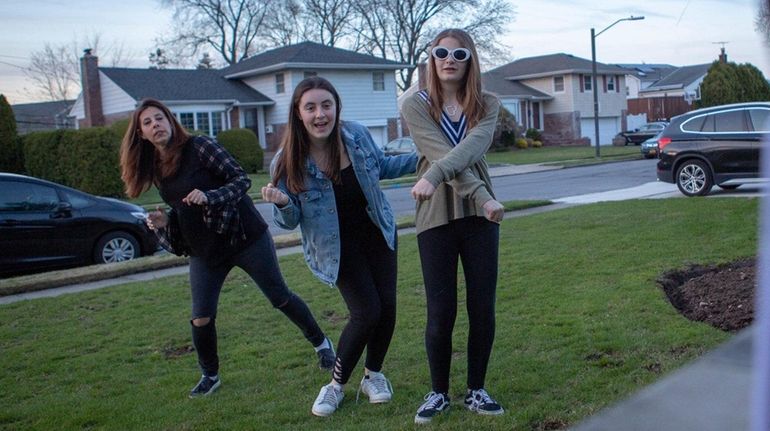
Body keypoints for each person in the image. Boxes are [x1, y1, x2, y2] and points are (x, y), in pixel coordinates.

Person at [119, 98, 335, 399]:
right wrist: (164, 218)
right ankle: (210, 375)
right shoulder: (157, 169)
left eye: (160, 118)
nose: (156, 125)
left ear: (170, 121)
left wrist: (210, 196)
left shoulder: (200, 147)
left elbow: (240, 180)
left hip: (245, 237)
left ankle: (322, 344)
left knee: (279, 297)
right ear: (141, 134)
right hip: (205, 251)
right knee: (201, 316)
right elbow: (181, 209)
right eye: (148, 122)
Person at [261, 76, 417, 417]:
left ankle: (373, 375)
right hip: (336, 248)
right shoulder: (286, 161)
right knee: (367, 312)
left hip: (377, 232)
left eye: (326, 105)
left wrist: (428, 157)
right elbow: (288, 222)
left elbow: (384, 166)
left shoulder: (356, 135)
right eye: (311, 107)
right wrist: (283, 202)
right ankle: (335, 386)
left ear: (336, 108)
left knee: (387, 308)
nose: (320, 114)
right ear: (298, 114)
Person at [400, 28, 506, 424]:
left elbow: (469, 151)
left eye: (458, 54)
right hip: (437, 215)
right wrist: (483, 196)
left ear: (470, 61)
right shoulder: (416, 104)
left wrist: (438, 176)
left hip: (481, 220)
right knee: (440, 311)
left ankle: (476, 390)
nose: (449, 59)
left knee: (482, 307)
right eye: (441, 52)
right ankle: (438, 392)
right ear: (431, 58)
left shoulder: (488, 104)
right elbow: (439, 152)